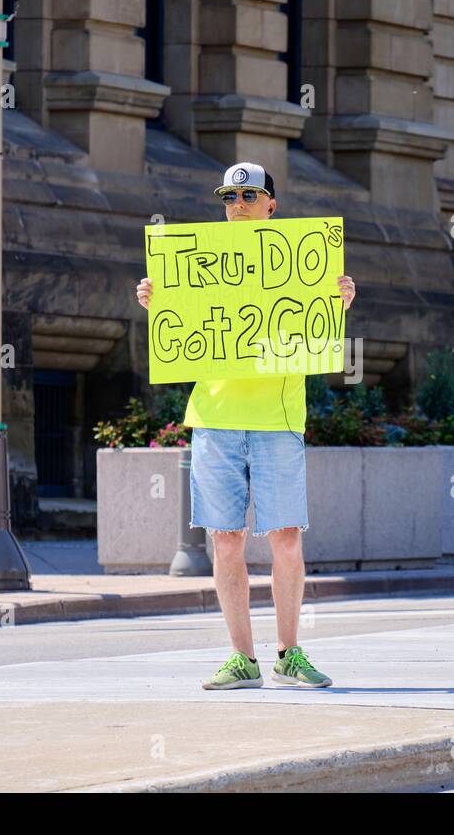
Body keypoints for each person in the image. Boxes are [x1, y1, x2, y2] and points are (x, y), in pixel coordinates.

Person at [136, 162, 356, 691]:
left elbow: (318, 327)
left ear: (270, 204)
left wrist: (339, 298)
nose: (237, 203)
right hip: (214, 417)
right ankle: (241, 657)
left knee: (285, 540)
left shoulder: (305, 262)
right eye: (229, 196)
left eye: (248, 194)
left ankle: (288, 652)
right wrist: (154, 299)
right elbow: (182, 329)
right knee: (226, 540)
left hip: (277, 420)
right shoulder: (199, 261)